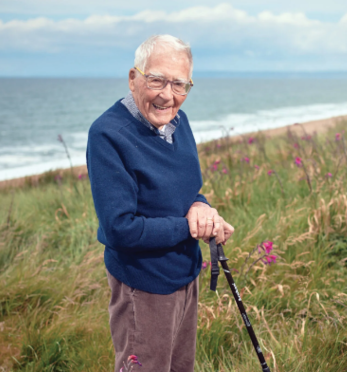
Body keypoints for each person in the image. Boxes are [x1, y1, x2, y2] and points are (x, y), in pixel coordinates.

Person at [86, 34, 234, 372]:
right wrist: (189, 226)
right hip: (144, 287)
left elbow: (189, 192)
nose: (167, 95)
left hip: (185, 276)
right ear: (134, 78)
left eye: (179, 85)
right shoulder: (108, 135)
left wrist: (201, 207)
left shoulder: (179, 123)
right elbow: (120, 229)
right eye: (157, 80)